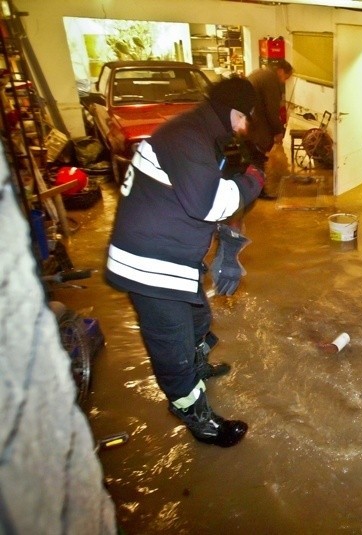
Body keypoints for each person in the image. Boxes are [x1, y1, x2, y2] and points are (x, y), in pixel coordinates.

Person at [105, 77, 265, 448]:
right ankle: (192, 411)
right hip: (148, 262)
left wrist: (229, 248)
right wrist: (253, 181)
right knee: (171, 344)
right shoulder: (187, 137)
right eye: (244, 120)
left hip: (173, 256)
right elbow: (209, 204)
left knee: (198, 319)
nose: (244, 129)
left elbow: (218, 199)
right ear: (233, 112)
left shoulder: (202, 135)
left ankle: (195, 367)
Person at [246, 60, 293, 198]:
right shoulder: (270, 80)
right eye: (286, 77)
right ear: (280, 71)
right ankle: (260, 191)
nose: (284, 81)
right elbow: (272, 110)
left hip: (247, 123)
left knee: (252, 158)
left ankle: (252, 189)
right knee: (259, 158)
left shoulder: (260, 73)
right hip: (257, 125)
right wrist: (278, 131)